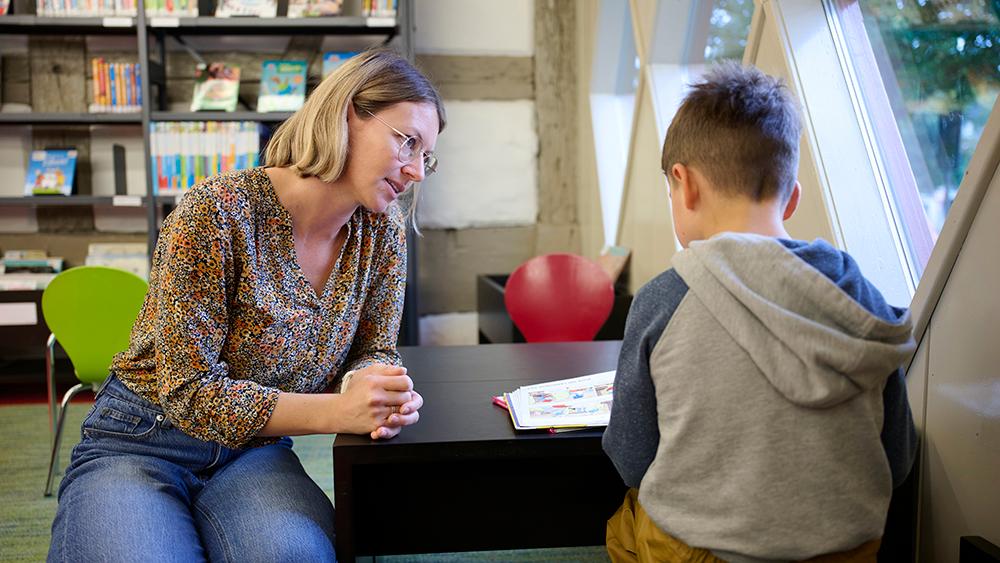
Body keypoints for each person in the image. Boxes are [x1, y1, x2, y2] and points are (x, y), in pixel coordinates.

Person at [48, 48, 445, 562]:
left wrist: (372, 386)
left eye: (426, 157)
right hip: (142, 438)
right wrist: (339, 410)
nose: (415, 170)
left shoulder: (384, 234)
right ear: (347, 113)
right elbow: (189, 392)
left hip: (255, 451)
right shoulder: (215, 212)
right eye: (407, 141)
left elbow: (372, 348)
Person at [602, 62, 917, 563]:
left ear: (684, 186)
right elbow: (897, 459)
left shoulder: (665, 298)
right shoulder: (862, 298)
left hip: (703, 553)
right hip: (846, 552)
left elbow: (632, 455)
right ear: (791, 198)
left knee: (624, 526)